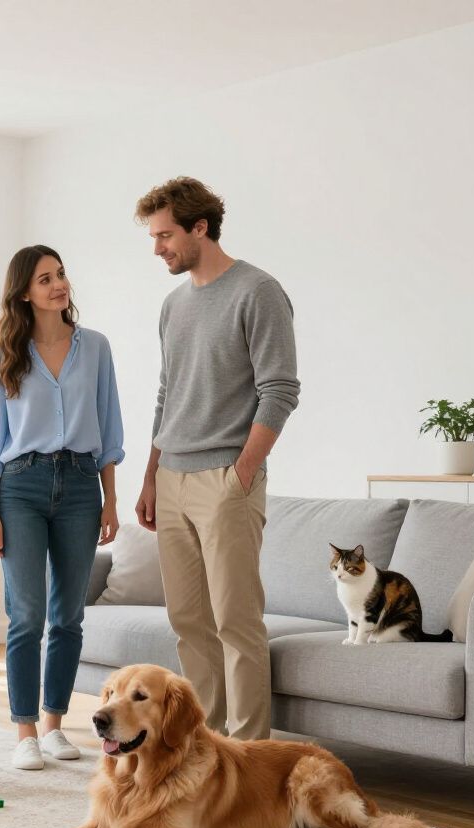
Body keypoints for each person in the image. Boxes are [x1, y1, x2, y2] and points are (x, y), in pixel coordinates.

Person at [134, 176, 300, 741]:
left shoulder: (258, 291)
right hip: (172, 477)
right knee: (188, 621)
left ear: (200, 228)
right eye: (154, 238)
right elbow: (167, 394)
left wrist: (243, 471)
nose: (158, 248)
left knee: (236, 621)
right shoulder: (173, 305)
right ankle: (205, 744)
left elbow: (280, 389)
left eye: (165, 236)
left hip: (226, 478)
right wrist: (151, 477)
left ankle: (248, 751)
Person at [0, 244, 124, 770]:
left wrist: (110, 499)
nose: (59, 285)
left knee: (68, 615)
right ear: (23, 292)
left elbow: (108, 427)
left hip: (82, 484)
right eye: (44, 279)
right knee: (26, 615)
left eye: (60, 274)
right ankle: (25, 732)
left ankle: (55, 725)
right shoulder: (3, 353)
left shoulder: (95, 347)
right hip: (21, 486)